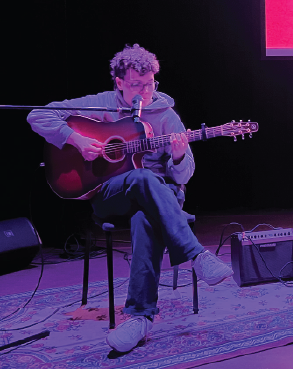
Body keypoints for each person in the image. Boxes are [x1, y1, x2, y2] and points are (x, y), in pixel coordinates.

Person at [27, 43, 232, 353]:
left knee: (146, 213)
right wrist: (78, 140)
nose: (146, 91)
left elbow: (183, 176)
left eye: (150, 83)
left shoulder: (165, 114)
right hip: (110, 193)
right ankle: (197, 255)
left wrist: (178, 156)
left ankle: (139, 317)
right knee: (141, 178)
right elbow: (38, 115)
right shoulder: (99, 105)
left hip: (160, 196)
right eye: (137, 85)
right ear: (119, 82)